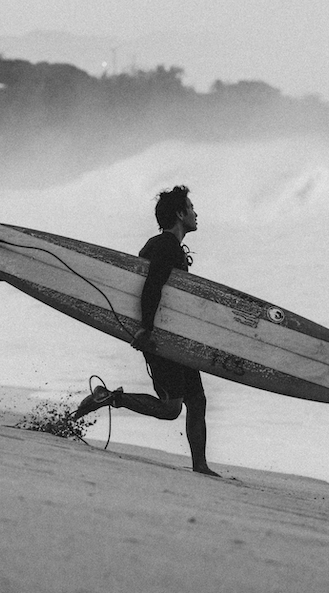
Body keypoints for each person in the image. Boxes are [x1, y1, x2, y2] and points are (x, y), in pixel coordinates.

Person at [70, 185, 220, 477]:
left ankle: (200, 465)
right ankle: (109, 396)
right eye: (191, 206)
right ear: (180, 213)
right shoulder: (165, 247)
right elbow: (152, 287)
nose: (196, 212)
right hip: (160, 337)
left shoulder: (166, 246)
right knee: (170, 409)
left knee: (197, 401)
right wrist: (146, 329)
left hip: (175, 336)